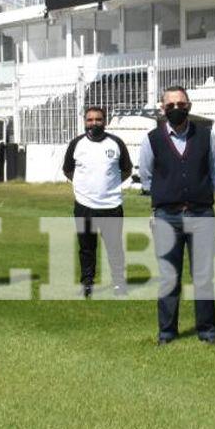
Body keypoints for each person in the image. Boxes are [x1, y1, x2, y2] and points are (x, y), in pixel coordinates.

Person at [138, 86, 215, 345]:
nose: (176, 109)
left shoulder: (207, 136)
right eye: (170, 105)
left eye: (181, 104)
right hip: (167, 217)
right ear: (162, 109)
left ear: (189, 106)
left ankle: (207, 332)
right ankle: (167, 333)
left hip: (201, 215)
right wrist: (169, 195)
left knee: (203, 276)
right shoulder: (152, 139)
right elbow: (147, 178)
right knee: (168, 277)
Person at [63, 106, 132, 298]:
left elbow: (126, 170)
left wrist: (110, 186)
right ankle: (87, 283)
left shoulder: (116, 143)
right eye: (90, 120)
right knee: (86, 247)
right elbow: (68, 169)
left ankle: (119, 283)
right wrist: (82, 187)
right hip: (84, 205)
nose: (94, 123)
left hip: (111, 206)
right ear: (85, 122)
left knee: (114, 247)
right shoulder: (76, 144)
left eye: (98, 119)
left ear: (105, 121)